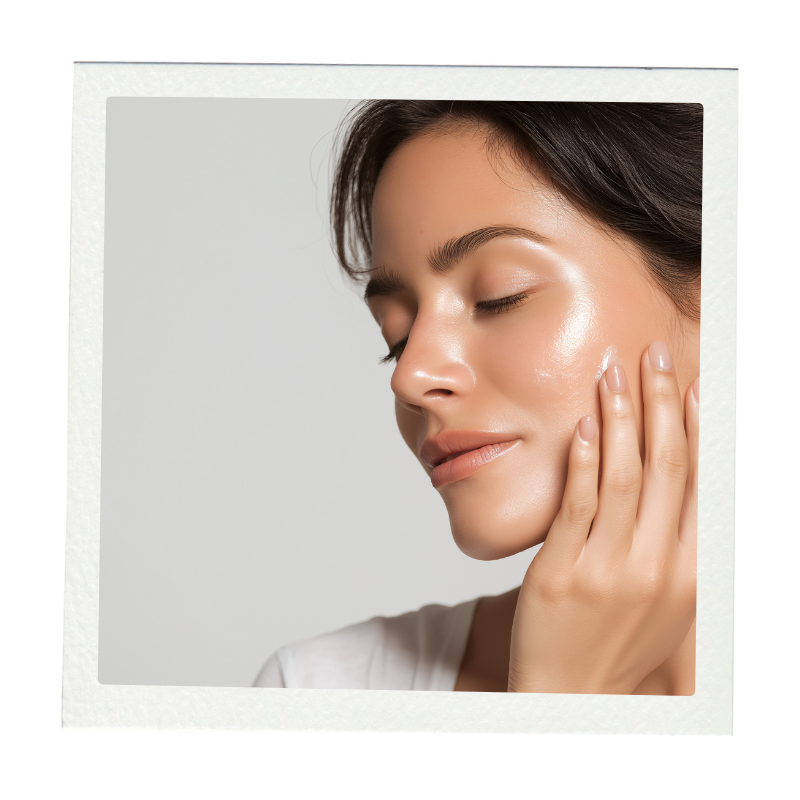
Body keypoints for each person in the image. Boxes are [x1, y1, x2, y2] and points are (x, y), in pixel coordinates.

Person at [254, 101, 701, 695]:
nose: (409, 377)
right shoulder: (317, 692)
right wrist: (560, 694)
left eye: (499, 297)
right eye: (397, 337)